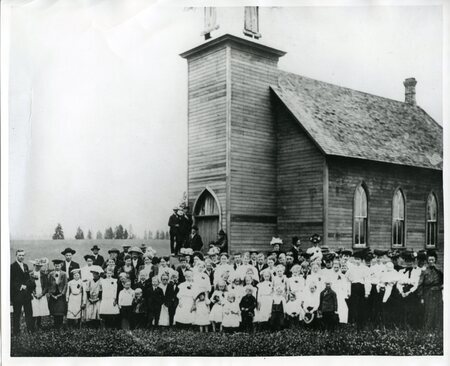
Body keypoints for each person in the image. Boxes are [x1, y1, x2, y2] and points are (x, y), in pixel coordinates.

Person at [417, 250, 443, 331]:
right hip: (428, 293)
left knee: (437, 311)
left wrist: (441, 287)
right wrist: (421, 297)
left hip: (437, 293)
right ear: (427, 261)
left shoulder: (439, 271)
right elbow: (420, 285)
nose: (431, 262)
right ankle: (427, 329)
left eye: (433, 260)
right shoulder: (424, 272)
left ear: (435, 260)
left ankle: (437, 329)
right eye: (429, 260)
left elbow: (443, 282)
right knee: (428, 311)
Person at [11, 250, 35, 335]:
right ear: (16, 255)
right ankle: (16, 331)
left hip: (26, 294)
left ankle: (30, 330)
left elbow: (27, 278)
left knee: (29, 312)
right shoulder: (12, 266)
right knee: (17, 313)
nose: (21, 257)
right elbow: (12, 280)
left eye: (23, 255)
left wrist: (28, 286)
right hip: (17, 294)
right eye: (19, 255)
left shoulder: (25, 266)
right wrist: (21, 286)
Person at [397, 250, 423, 329]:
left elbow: (416, 284)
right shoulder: (401, 271)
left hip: (412, 292)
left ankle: (413, 327)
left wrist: (409, 292)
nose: (409, 263)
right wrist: (401, 291)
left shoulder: (417, 271)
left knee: (412, 309)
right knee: (402, 309)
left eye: (410, 261)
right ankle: (403, 326)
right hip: (403, 290)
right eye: (407, 261)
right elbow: (398, 283)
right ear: (405, 262)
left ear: (413, 262)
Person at [29, 258, 50, 330]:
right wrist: (34, 293)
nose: (37, 267)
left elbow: (46, 286)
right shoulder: (30, 275)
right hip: (33, 293)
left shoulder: (43, 275)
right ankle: (32, 326)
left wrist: (42, 294)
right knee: (34, 308)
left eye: (39, 266)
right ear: (34, 265)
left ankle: (39, 324)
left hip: (41, 292)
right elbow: (29, 286)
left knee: (40, 309)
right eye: (36, 265)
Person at [47, 259, 68, 329]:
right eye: (56, 266)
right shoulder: (51, 274)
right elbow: (49, 284)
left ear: (61, 266)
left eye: (58, 266)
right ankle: (55, 324)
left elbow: (65, 284)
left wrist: (62, 293)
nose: (57, 267)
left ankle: (60, 324)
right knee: (54, 310)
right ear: (54, 266)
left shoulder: (64, 274)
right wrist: (51, 293)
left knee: (60, 310)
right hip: (53, 293)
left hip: (60, 294)